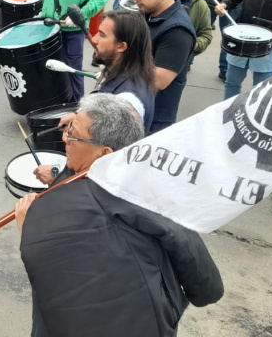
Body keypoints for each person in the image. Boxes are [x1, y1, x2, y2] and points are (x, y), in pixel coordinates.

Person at [16, 93, 224, 337]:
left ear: (104, 153)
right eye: (69, 126)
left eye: (74, 134)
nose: (65, 138)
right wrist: (54, 176)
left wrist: (34, 227)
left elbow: (71, 266)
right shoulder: (137, 180)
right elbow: (205, 283)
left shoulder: (135, 198)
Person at [127, 0, 196, 133]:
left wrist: (120, 62)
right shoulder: (150, 14)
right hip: (135, 106)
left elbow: (159, 80)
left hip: (153, 118)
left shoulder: (177, 31)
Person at [87, 11, 156, 130]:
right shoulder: (126, 74)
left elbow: (106, 141)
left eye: (102, 35)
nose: (94, 39)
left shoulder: (125, 102)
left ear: (121, 47)